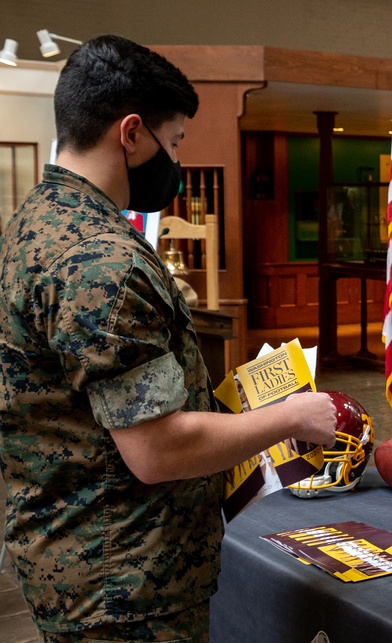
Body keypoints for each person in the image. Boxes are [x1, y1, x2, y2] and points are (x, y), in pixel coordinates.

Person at [0, 35, 341, 642]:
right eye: (175, 142)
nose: (176, 160)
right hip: (125, 587)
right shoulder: (102, 259)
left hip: (74, 556)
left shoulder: (36, 221)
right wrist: (291, 417)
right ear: (131, 133)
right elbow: (157, 450)